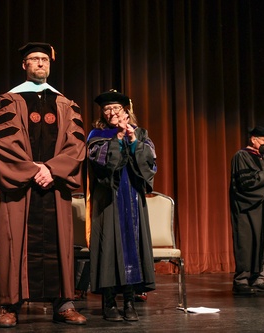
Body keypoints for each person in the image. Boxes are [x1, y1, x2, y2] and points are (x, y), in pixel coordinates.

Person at [0, 42, 86, 328]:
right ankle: (10, 305)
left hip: (55, 187)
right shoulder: (7, 101)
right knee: (14, 241)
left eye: (44, 59)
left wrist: (52, 169)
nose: (40, 63)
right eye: (34, 59)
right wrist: (33, 170)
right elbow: (1, 142)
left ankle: (64, 303)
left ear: (50, 65)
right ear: (24, 65)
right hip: (23, 189)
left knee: (61, 243)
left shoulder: (67, 104)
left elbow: (76, 144)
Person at [86, 89, 156, 322]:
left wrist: (133, 140)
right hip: (108, 199)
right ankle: (109, 303)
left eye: (116, 108)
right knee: (108, 249)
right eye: (107, 109)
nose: (111, 112)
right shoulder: (97, 135)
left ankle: (129, 301)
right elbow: (101, 164)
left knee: (133, 249)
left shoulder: (140, 133)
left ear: (127, 111)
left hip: (133, 199)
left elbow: (149, 164)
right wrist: (116, 138)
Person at [229, 125, 264, 295]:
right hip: (247, 209)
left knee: (263, 241)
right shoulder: (241, 156)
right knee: (247, 243)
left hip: (263, 209)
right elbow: (246, 183)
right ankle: (241, 281)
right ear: (253, 139)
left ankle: (258, 280)